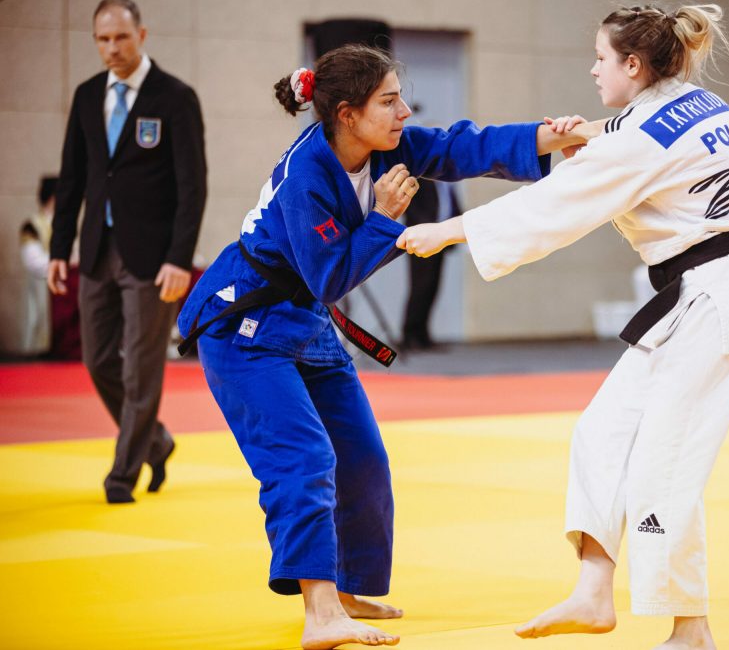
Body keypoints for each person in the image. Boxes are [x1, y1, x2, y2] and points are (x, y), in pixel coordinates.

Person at [399, 3, 729, 650]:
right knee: (602, 431)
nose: (592, 69)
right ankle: (593, 589)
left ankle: (691, 631)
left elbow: (562, 201)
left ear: (633, 64)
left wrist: (451, 229)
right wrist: (589, 133)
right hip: (698, 297)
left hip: (720, 304)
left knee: (663, 466)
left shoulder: (638, 139)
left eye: (601, 59)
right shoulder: (707, 106)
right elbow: (637, 132)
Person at [176, 44, 590, 649]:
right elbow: (331, 277)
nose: (404, 112)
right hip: (245, 326)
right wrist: (386, 219)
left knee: (363, 458)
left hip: (305, 320)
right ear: (348, 114)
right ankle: (319, 612)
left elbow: (462, 146)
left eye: (401, 99)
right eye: (389, 102)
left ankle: (348, 589)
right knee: (303, 459)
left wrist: (560, 136)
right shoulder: (307, 176)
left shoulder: (388, 146)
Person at [48, 0, 206, 504]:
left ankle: (122, 474)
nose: (111, 47)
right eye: (102, 39)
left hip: (153, 258)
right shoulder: (87, 95)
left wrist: (180, 259)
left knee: (141, 369)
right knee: (97, 361)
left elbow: (192, 187)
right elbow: (72, 179)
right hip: (96, 248)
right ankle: (155, 442)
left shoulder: (174, 97)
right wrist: (59, 248)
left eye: (120, 37)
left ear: (141, 35)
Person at [400, 178, 461, 350]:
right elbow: (412, 209)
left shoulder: (447, 181)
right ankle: (410, 335)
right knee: (420, 287)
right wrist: (424, 231)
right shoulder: (420, 177)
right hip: (423, 239)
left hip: (441, 240)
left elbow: (452, 206)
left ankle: (422, 335)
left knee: (432, 287)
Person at [20, 176, 58, 355]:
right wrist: (59, 264)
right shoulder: (32, 225)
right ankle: (35, 354)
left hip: (62, 280)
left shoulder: (64, 224)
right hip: (41, 282)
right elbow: (32, 260)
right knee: (38, 316)